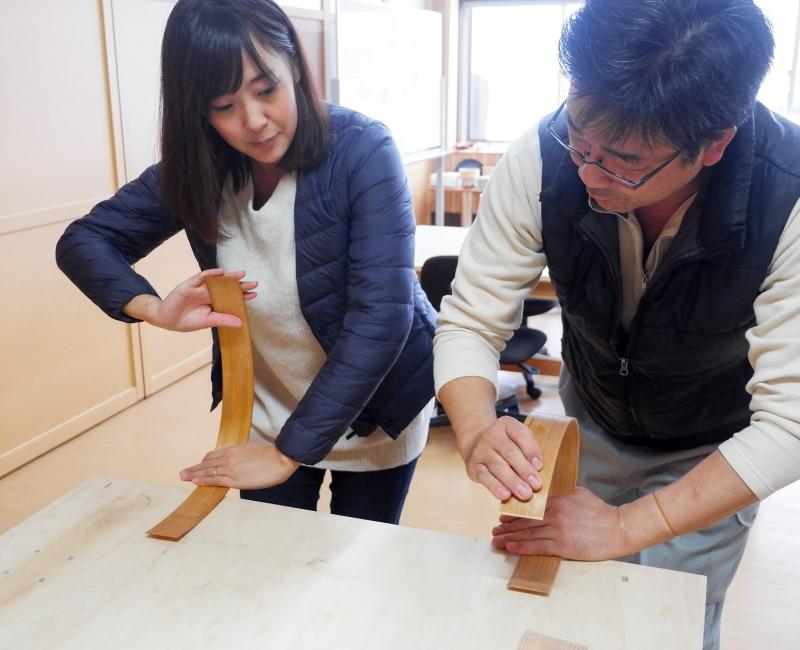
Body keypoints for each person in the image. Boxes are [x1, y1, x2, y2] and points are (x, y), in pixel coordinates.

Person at [433, 1, 800, 648]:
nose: (586, 170)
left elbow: (790, 420)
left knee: (668, 620)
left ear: (714, 145)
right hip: (594, 415)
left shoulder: (787, 193)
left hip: (710, 446)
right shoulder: (545, 155)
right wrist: (475, 427)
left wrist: (632, 526)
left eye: (623, 161)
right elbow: (470, 316)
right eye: (580, 136)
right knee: (577, 600)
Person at [56, 0, 436, 525]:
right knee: (267, 564)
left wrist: (288, 453)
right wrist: (154, 309)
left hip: (375, 411)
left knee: (357, 571)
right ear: (199, 111)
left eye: (266, 89)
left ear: (295, 70)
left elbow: (380, 322)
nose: (254, 122)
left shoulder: (363, 150)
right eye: (223, 105)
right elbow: (85, 240)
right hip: (266, 414)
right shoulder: (202, 166)